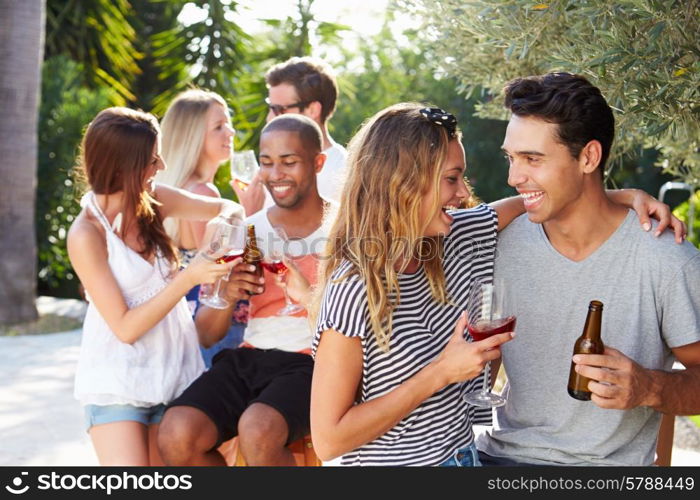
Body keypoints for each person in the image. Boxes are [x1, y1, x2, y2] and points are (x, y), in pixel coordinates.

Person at [309, 102, 685, 467]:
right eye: (451, 178)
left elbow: (537, 201)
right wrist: (440, 373)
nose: (463, 193)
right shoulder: (353, 289)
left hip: (469, 460)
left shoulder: (455, 237)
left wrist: (623, 196)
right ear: (403, 184)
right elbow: (329, 441)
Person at [476, 72, 700, 466]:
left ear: (589, 157)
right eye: (511, 158)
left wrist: (650, 387)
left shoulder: (667, 260)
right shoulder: (501, 243)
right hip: (498, 460)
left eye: (533, 159)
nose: (513, 177)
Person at [69, 107, 242, 466]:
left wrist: (217, 236)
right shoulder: (87, 234)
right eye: (152, 159)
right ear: (121, 166)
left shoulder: (157, 201)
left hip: (176, 374)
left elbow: (228, 208)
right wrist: (190, 276)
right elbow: (125, 327)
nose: (161, 166)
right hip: (118, 382)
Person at [157, 114, 330, 466]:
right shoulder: (244, 231)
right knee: (177, 432)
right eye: (266, 163)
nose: (275, 174)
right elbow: (207, 334)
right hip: (252, 356)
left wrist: (307, 294)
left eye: (289, 162)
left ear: (318, 162)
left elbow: (364, 323)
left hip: (314, 360)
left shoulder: (346, 228)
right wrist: (228, 295)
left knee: (258, 429)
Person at [155, 88, 244, 366]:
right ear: (192, 137)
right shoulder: (204, 194)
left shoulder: (175, 189)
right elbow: (221, 266)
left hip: (185, 315)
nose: (230, 132)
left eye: (228, 123)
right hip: (213, 323)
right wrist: (250, 213)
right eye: (219, 127)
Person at [234, 56, 347, 215]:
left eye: (279, 109)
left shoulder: (342, 175)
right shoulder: (273, 168)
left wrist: (250, 217)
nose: (269, 118)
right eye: (270, 107)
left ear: (313, 110)